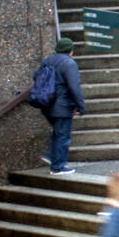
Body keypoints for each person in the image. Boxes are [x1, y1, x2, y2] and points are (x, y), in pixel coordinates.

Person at [38, 38, 85, 177]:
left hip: (46, 104)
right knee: (63, 136)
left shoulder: (48, 60)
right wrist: (80, 106)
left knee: (57, 133)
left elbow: (36, 77)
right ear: (71, 51)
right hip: (62, 106)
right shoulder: (69, 63)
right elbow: (74, 87)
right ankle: (57, 167)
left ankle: (51, 156)